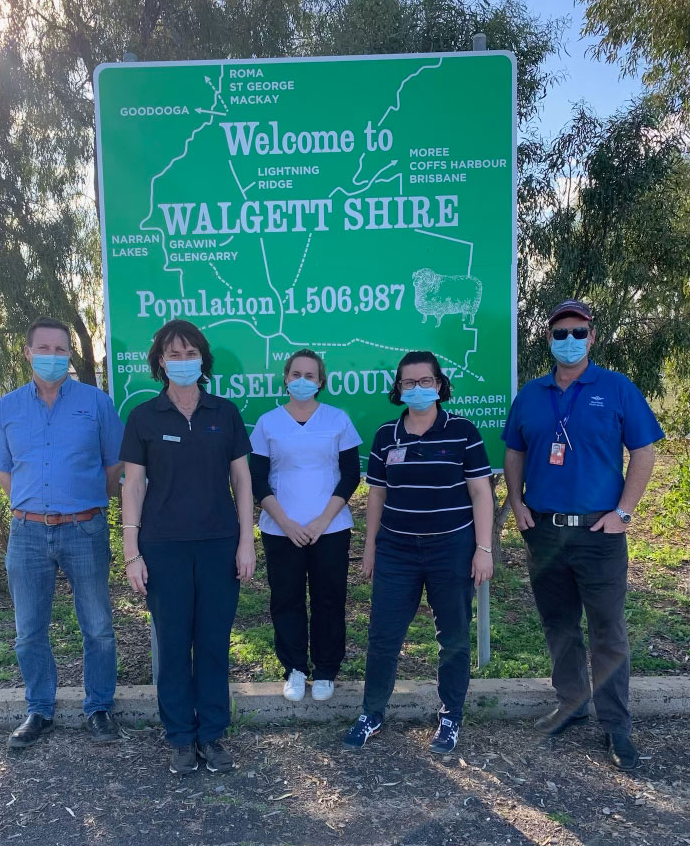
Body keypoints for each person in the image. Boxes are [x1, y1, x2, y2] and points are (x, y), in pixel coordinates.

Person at [502, 299, 664, 771]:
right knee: (559, 625)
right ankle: (571, 705)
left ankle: (616, 726)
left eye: (578, 332)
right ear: (548, 339)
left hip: (599, 531)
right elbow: (515, 450)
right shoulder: (531, 395)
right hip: (546, 531)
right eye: (560, 333)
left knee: (608, 632)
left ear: (592, 337)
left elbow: (644, 451)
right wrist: (516, 501)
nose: (568, 341)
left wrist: (624, 513)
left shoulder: (616, 388)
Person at [119, 319, 254, 776]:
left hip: (219, 546)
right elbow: (132, 485)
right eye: (173, 354)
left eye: (190, 353)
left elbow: (242, 480)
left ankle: (213, 736)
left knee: (214, 644)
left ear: (203, 359)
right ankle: (180, 737)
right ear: (160, 361)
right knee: (174, 646)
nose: (183, 361)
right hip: (164, 547)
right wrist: (131, 549)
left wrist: (246, 541)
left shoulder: (225, 413)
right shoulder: (143, 417)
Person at [0, 316, 124, 748]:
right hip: (26, 533)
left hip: (84, 529)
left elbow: (114, 467)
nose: (52, 356)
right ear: (27, 353)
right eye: (43, 349)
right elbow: (2, 468)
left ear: (69, 356)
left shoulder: (96, 403)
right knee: (28, 630)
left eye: (60, 349)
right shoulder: (7, 407)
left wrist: (80, 503)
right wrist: (33, 506)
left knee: (98, 626)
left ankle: (98, 707)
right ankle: (38, 710)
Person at [343, 351, 494, 754]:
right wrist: (370, 549)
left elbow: (481, 492)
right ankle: (371, 713)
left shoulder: (462, 430)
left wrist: (484, 548)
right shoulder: (385, 436)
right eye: (408, 383)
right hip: (396, 551)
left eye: (425, 381)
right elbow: (376, 496)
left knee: (454, 639)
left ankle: (450, 718)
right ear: (398, 388)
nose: (417, 389)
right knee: (383, 637)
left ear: (440, 385)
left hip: (453, 548)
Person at [249, 349, 361, 702]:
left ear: (321, 382)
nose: (302, 381)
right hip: (280, 530)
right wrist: (286, 522)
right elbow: (257, 480)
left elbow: (351, 476)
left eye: (310, 375)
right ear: (285, 379)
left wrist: (321, 521)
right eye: (295, 374)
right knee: (287, 599)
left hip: (330, 528)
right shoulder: (268, 423)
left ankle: (326, 669)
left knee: (329, 599)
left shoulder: (337, 419)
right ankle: (295, 668)